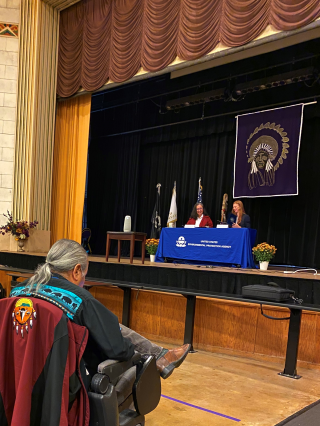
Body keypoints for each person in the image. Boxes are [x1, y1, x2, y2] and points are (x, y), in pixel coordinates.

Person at [9, 239, 190, 380]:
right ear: (77, 270)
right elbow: (117, 348)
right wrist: (136, 355)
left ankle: (161, 355)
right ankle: (159, 357)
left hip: (16, 372)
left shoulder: (16, 291)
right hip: (64, 380)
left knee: (103, 327)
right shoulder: (80, 299)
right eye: (84, 276)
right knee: (114, 337)